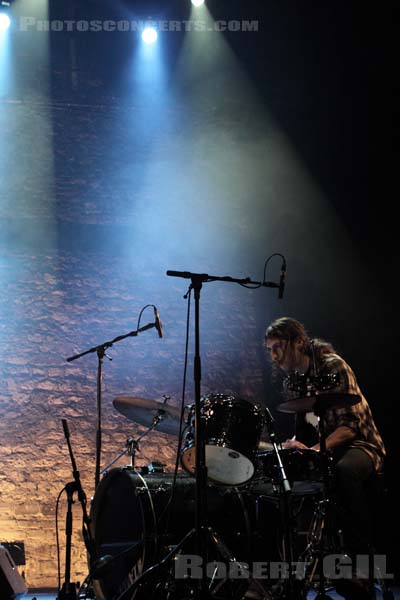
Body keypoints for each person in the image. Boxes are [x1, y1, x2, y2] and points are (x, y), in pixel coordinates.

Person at [264, 317, 386, 600]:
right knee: (274, 479)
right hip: (325, 450)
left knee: (343, 472)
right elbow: (306, 429)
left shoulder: (332, 366)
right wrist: (296, 446)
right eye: (269, 349)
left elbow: (350, 427)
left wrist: (317, 449)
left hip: (361, 446)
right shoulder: (293, 381)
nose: (273, 356)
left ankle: (359, 568)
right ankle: (276, 575)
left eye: (278, 347)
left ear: (298, 342)